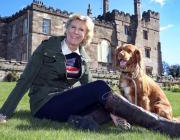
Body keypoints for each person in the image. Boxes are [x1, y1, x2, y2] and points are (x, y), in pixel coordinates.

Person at [0, 13, 180, 137]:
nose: (75, 32)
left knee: (106, 104)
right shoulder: (47, 47)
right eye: (73, 27)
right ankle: (164, 126)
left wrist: (114, 112)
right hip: (45, 104)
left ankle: (81, 121)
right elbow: (25, 80)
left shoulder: (83, 57)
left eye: (81, 29)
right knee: (103, 89)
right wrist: (4, 113)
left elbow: (94, 89)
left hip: (65, 103)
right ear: (67, 28)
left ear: (86, 35)